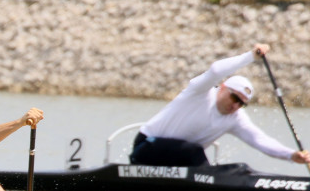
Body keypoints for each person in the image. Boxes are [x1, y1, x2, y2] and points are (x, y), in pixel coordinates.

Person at [129, 44, 310, 167]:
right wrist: (250, 56)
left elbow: (260, 140)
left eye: (242, 104)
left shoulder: (235, 118)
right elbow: (215, 70)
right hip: (146, 148)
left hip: (178, 159)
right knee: (194, 152)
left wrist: (292, 156)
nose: (236, 106)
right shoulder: (200, 92)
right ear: (223, 88)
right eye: (234, 98)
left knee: (196, 154)